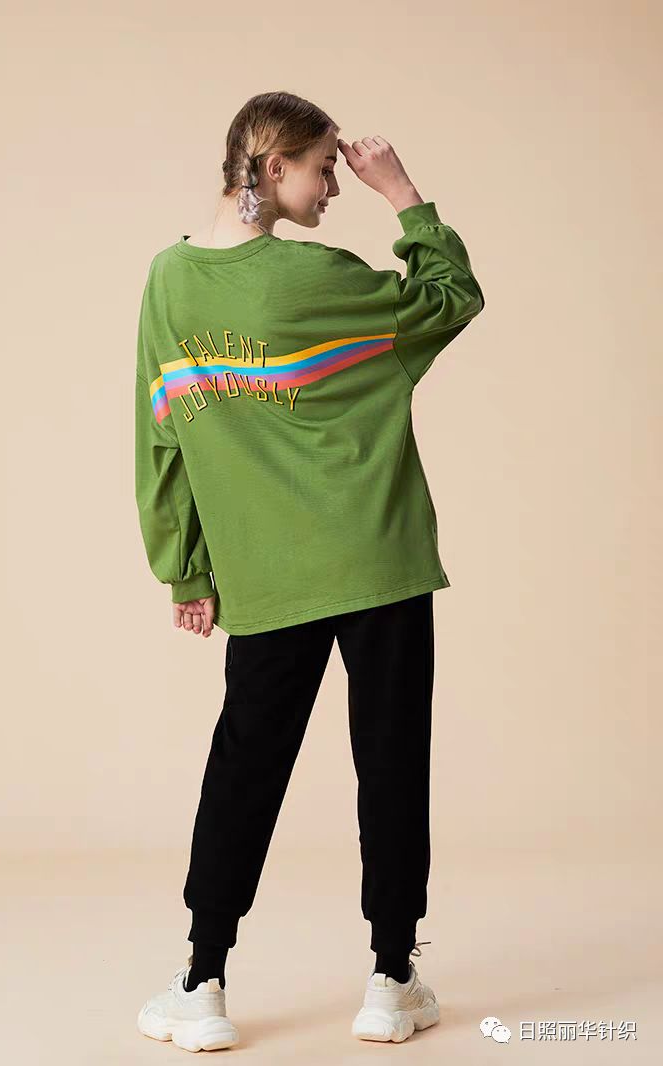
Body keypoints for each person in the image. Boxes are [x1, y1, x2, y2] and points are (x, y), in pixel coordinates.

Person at [134, 90, 485, 1052]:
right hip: (379, 558)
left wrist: (186, 569)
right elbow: (452, 297)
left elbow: (161, 435)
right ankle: (391, 979)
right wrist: (403, 194)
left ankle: (202, 982)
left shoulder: (169, 283)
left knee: (245, 767)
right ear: (274, 165)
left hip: (266, 573)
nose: (333, 187)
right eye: (325, 168)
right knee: (392, 760)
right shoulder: (324, 277)